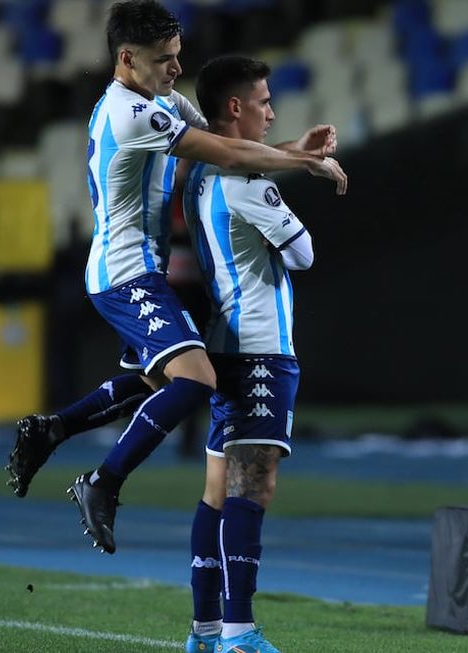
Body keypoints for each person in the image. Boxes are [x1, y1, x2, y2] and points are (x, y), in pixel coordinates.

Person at [5, 0, 346, 556]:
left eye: (177, 57)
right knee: (196, 380)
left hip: (138, 269)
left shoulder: (159, 99)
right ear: (126, 58)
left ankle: (54, 429)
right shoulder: (130, 113)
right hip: (124, 272)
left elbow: (227, 151)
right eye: (163, 59)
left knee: (156, 382)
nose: (173, 68)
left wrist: (289, 150)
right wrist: (304, 164)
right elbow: (227, 150)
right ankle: (103, 482)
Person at [178, 54, 319, 653]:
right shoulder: (247, 182)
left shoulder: (201, 175)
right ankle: (239, 631)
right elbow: (303, 253)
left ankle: (205, 630)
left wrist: (295, 155)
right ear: (234, 108)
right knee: (253, 484)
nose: (271, 111)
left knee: (216, 489)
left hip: (222, 342)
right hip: (261, 347)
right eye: (263, 102)